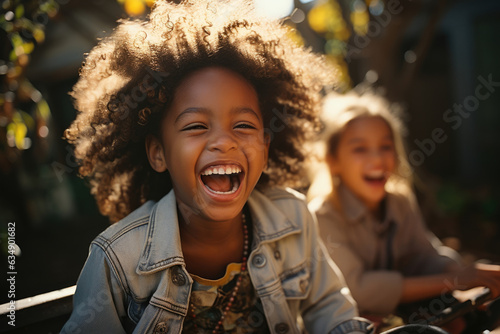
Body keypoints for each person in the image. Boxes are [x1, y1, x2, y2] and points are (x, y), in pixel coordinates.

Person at [60, 1, 374, 333]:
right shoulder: (118, 260)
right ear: (158, 153)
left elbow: (329, 309)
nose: (224, 142)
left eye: (244, 126)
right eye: (196, 126)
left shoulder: (294, 219)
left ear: (266, 148)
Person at [308, 89, 500, 332]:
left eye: (385, 147)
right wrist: (455, 280)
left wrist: (462, 273)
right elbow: (360, 290)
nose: (377, 159)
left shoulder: (399, 202)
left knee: (464, 319)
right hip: (352, 322)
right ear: (332, 160)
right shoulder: (323, 215)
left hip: (403, 312)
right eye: (360, 149)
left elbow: (425, 255)